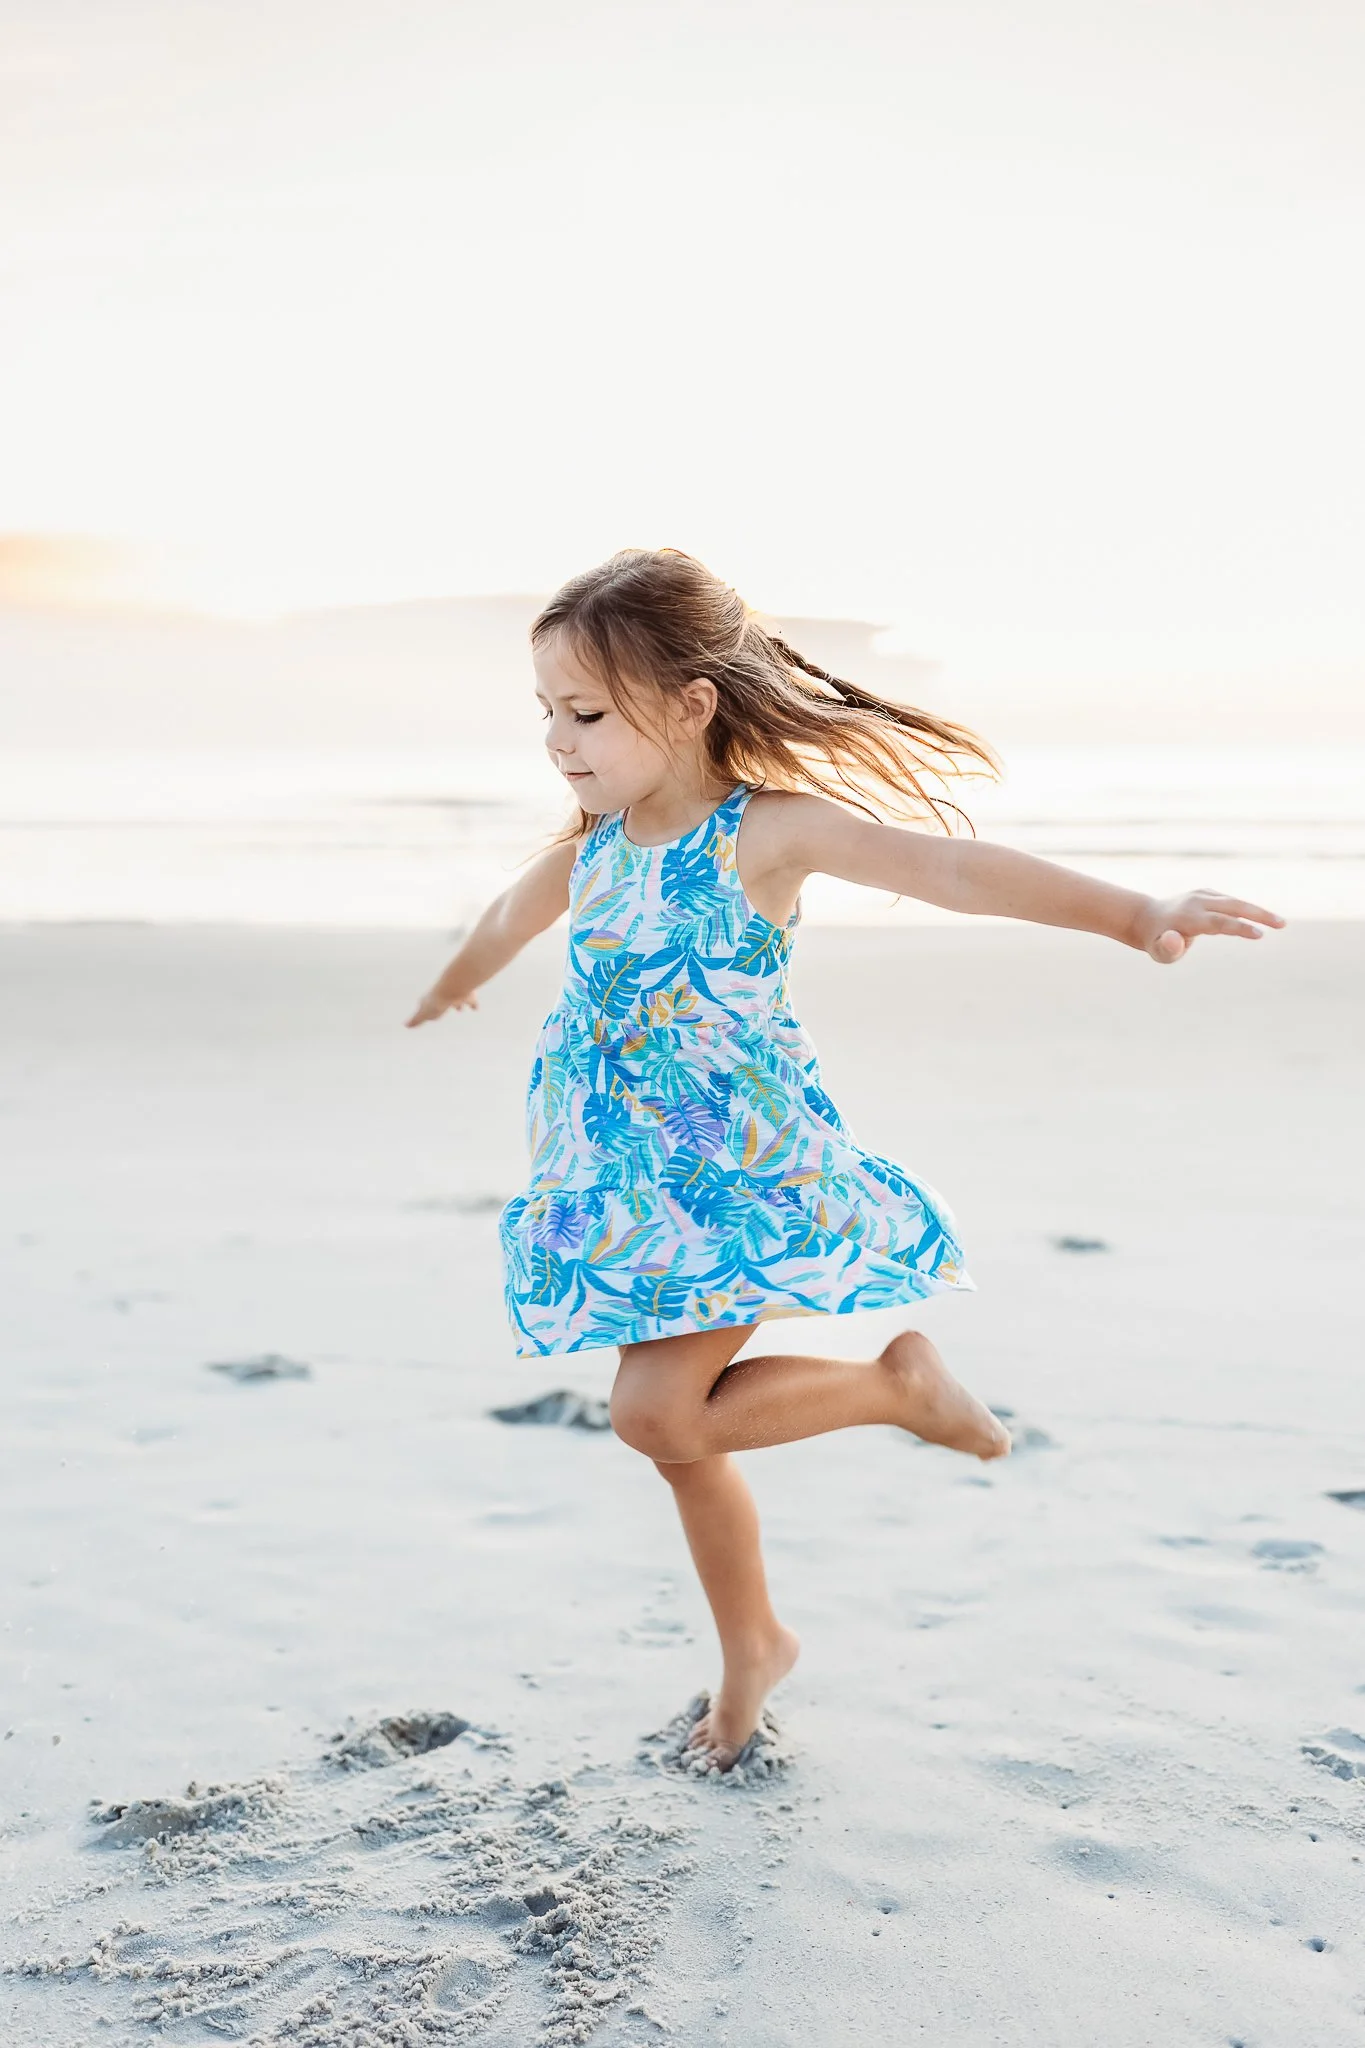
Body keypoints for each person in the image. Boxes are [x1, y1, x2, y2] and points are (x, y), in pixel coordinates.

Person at [406, 547, 1283, 1769]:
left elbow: (954, 869)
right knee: (680, 1441)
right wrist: (455, 981)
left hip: (733, 1176)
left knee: (656, 1414)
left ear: (691, 703)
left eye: (587, 713)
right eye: (546, 712)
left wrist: (1138, 913)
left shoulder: (764, 833)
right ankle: (752, 1640)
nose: (558, 739)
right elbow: (511, 913)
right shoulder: (590, 849)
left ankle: (895, 1388)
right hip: (620, 1189)